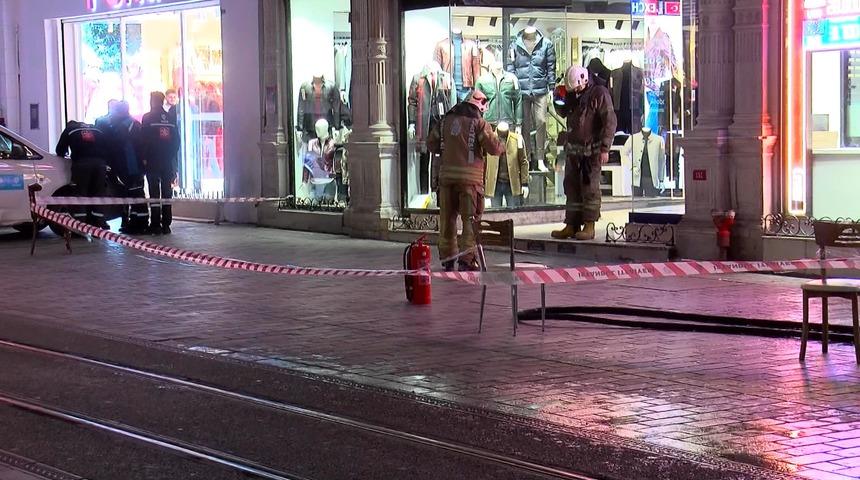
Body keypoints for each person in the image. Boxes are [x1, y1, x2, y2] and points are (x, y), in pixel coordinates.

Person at [427, 89, 504, 272]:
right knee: (470, 221)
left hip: (446, 181)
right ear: (480, 105)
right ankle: (467, 259)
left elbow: (431, 144)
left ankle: (447, 258)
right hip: (470, 182)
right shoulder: (479, 123)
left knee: (447, 220)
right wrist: (501, 142)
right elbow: (493, 148)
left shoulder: (445, 121)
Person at [551, 66, 617, 240]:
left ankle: (589, 225)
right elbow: (564, 112)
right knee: (571, 187)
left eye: (577, 88)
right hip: (574, 151)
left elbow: (609, 121)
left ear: (584, 79)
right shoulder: (574, 92)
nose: (576, 91)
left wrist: (605, 148)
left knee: (590, 189)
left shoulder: (599, 93)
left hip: (591, 152)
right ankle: (571, 224)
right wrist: (559, 98)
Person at [103, 101, 148, 234]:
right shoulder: (133, 124)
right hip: (134, 166)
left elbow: (116, 148)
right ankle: (136, 222)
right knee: (134, 194)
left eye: (114, 111)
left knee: (135, 194)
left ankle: (139, 224)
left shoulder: (122, 127)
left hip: (130, 167)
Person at [55, 120, 111, 228]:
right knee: (98, 193)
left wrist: (67, 154)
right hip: (100, 165)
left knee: (80, 194)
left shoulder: (69, 129)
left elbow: (60, 150)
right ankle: (98, 223)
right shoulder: (96, 129)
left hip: (82, 165)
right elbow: (108, 147)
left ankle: (81, 225)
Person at [141, 91, 180, 235]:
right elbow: (176, 141)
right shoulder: (170, 118)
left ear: (152, 101)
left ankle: (156, 224)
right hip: (167, 161)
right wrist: (170, 157)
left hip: (153, 160)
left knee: (154, 192)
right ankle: (166, 225)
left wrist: (144, 157)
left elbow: (143, 140)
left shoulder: (148, 117)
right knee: (166, 193)